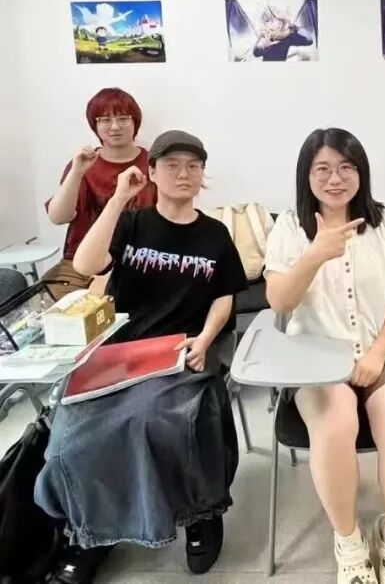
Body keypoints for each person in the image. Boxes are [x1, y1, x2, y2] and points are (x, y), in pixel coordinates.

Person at [35, 130, 248, 584]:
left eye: (193, 166)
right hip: (120, 353)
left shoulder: (215, 234)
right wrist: (118, 199)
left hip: (182, 352)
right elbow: (86, 265)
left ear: (203, 176)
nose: (183, 173)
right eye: (171, 165)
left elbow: (225, 296)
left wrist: (205, 339)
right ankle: (92, 532)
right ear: (151, 172)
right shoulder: (131, 223)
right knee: (72, 436)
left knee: (154, 420)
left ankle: (200, 514)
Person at [265, 128, 385, 584]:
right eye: (322, 169)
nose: (335, 179)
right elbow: (279, 302)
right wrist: (314, 255)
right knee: (336, 426)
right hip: (317, 352)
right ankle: (350, 543)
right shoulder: (289, 228)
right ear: (306, 175)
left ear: (361, 173)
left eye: (346, 167)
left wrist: (377, 354)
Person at [42, 88, 156, 300]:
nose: (115, 127)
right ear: (94, 125)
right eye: (104, 120)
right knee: (63, 308)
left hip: (137, 261)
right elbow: (58, 217)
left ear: (135, 122)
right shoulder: (83, 164)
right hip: (80, 263)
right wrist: (77, 172)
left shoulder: (154, 165)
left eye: (123, 118)